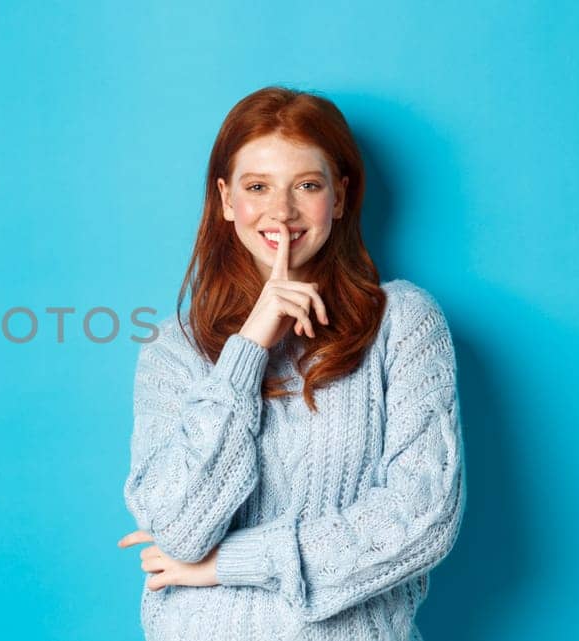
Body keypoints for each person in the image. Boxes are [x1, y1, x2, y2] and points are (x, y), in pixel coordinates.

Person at [115, 86, 465, 640]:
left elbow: (420, 517)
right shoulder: (173, 349)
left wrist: (227, 565)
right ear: (227, 200)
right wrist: (250, 346)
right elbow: (177, 531)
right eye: (258, 187)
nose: (281, 210)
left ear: (341, 196)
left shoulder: (403, 322)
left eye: (307, 185)